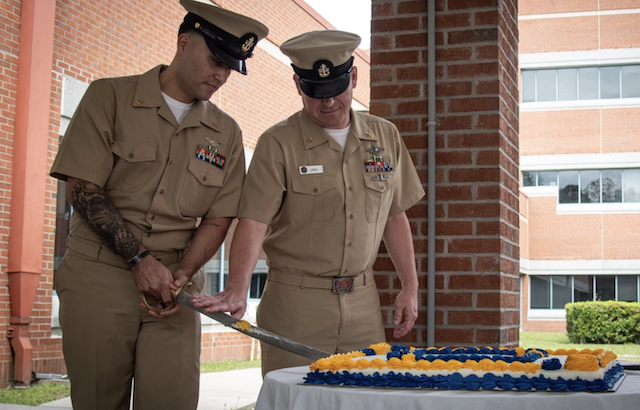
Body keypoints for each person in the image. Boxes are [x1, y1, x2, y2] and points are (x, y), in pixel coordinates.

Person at [49, 1, 268, 409]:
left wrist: (182, 272)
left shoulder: (226, 132)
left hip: (176, 288)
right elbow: (82, 190)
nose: (222, 74)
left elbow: (219, 217)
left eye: (231, 66)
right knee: (99, 400)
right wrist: (140, 261)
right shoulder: (109, 97)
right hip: (101, 276)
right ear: (183, 43)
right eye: (215, 59)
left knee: (173, 400)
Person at [192, 30, 425, 376]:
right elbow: (253, 221)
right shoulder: (278, 143)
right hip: (295, 305)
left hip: (363, 304)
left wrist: (410, 286)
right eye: (316, 92)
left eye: (335, 90)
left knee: (363, 400)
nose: (327, 102)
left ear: (354, 77)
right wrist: (238, 287)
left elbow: (394, 215)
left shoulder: (385, 136)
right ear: (298, 85)